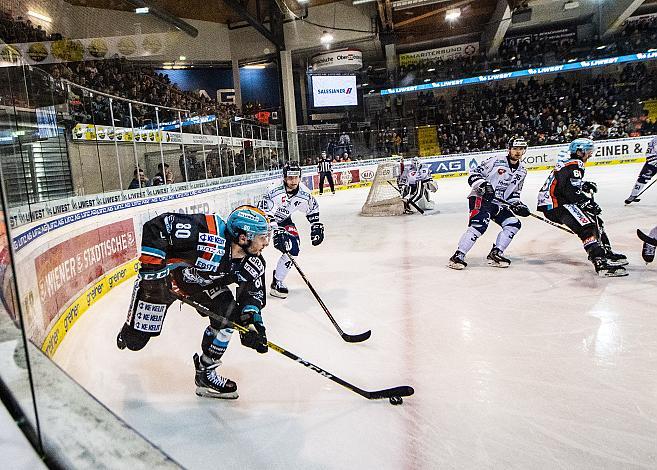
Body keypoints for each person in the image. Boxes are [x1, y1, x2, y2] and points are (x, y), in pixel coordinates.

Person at [115, 206, 271, 399]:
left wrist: (253, 325)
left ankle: (206, 373)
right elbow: (156, 227)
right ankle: (129, 329)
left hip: (202, 286)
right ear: (243, 237)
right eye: (262, 237)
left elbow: (252, 296)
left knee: (230, 316)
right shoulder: (207, 233)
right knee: (134, 342)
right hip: (165, 282)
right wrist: (152, 272)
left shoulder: (253, 263)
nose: (266, 242)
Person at [537, 138, 628, 277]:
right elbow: (569, 191)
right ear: (579, 152)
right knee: (586, 227)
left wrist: (583, 184)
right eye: (588, 151)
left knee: (597, 222)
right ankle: (600, 261)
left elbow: (566, 183)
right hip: (555, 204)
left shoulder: (569, 163)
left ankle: (605, 252)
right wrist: (587, 202)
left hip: (556, 202)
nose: (590, 154)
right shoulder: (575, 165)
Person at [448, 137, 531, 270]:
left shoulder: (522, 171)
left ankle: (496, 253)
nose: (518, 152)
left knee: (513, 224)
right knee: (479, 225)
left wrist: (518, 206)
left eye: (521, 149)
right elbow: (474, 173)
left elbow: (514, 194)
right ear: (509, 149)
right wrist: (484, 185)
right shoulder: (496, 160)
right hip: (481, 198)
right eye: (515, 148)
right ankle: (458, 256)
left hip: (499, 204)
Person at [257, 162, 324, 298]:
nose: (293, 181)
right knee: (254, 250)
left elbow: (312, 209)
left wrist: (315, 225)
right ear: (284, 177)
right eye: (290, 177)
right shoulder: (273, 191)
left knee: (293, 248)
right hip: (261, 221)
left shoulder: (304, 193)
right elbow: (265, 213)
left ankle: (277, 282)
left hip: (284, 220)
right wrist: (277, 231)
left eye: (296, 177)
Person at [625, 135, 657, 204]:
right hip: (653, 161)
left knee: (643, 178)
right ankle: (633, 195)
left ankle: (633, 195)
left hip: (651, 161)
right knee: (643, 179)